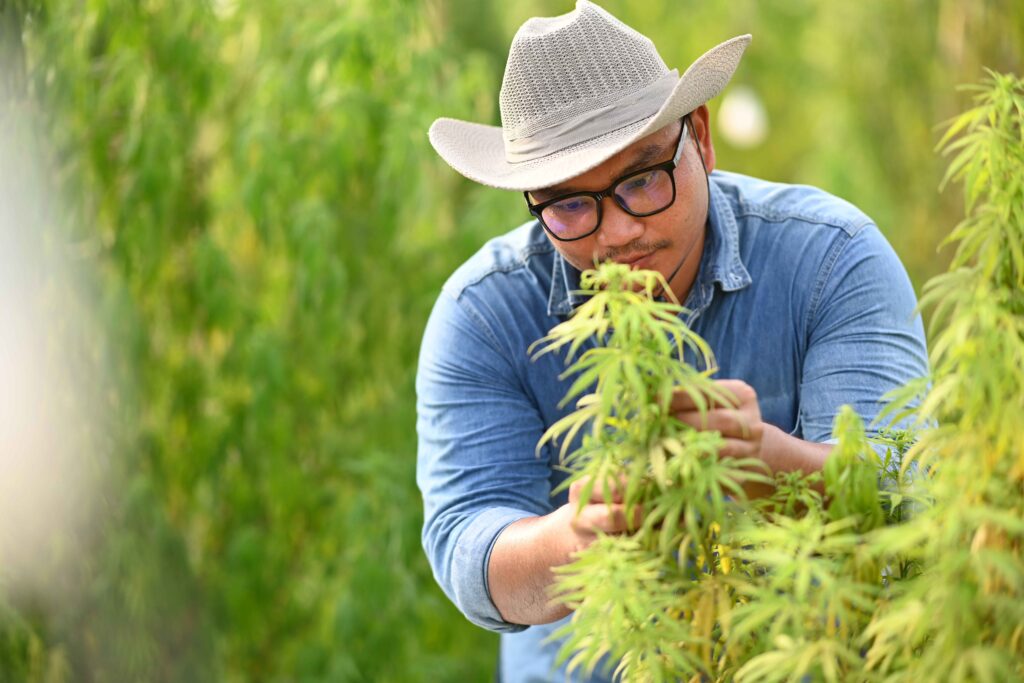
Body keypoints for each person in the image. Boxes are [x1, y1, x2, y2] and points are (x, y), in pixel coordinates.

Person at [416, 2, 928, 681]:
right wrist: (577, 534)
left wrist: (766, 464)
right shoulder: (484, 314)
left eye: (642, 179)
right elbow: (469, 548)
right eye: (570, 204)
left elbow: (903, 501)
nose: (618, 233)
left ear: (702, 140)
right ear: (533, 201)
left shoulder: (831, 260)